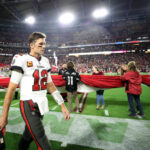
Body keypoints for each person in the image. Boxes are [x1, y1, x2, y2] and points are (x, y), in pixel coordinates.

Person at [0, 32, 70, 150]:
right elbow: (11, 89)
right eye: (40, 44)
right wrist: (4, 115)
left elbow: (51, 86)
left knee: (28, 136)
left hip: (41, 104)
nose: (44, 47)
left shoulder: (46, 61)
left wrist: (62, 105)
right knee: (43, 142)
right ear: (31, 45)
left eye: (44, 44)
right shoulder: (22, 60)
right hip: (28, 104)